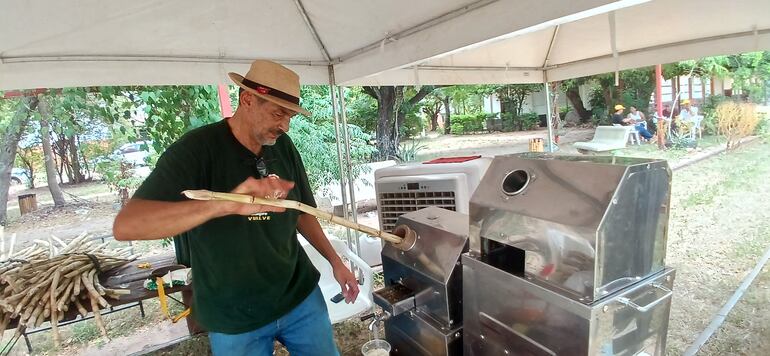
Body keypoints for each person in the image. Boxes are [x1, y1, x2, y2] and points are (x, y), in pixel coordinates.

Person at [113, 60, 358, 356]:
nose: (285, 125)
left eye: (290, 115)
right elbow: (127, 225)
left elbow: (302, 211)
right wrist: (224, 204)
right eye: (278, 112)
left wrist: (335, 261)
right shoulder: (197, 150)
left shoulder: (283, 147)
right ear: (247, 99)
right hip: (234, 314)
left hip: (298, 297)